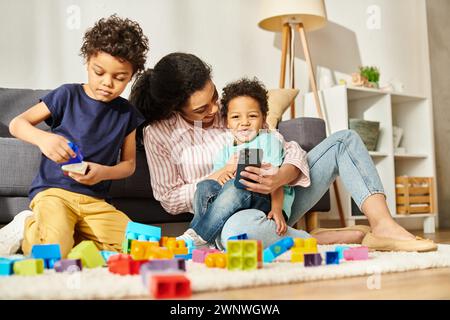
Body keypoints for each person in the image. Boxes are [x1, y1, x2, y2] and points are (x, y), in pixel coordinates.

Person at [130, 52, 437, 252]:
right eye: (201, 108)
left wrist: (281, 176)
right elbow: (169, 198)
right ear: (175, 107)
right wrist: (220, 177)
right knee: (241, 236)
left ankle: (383, 226)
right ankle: (323, 239)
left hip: (280, 197)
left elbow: (284, 145)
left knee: (345, 140)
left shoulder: (235, 111)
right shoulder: (158, 134)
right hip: (228, 217)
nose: (215, 109)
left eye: (214, 96)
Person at [0, 15, 149, 257]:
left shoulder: (127, 114)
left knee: (138, 247)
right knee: (51, 251)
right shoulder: (67, 95)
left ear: (131, 76)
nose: (107, 83)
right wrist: (44, 139)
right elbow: (18, 124)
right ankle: (27, 226)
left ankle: (71, 237)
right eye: (98, 72)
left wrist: (104, 172)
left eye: (120, 78)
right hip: (54, 194)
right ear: (88, 60)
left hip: (96, 203)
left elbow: (129, 164)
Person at [177, 78, 292, 247]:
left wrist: (277, 209)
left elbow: (276, 181)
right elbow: (214, 184)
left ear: (263, 118)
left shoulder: (267, 141)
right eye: (236, 117)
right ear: (227, 122)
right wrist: (224, 174)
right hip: (234, 200)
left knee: (235, 184)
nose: (244, 122)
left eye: (252, 116)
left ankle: (198, 236)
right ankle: (205, 238)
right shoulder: (225, 151)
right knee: (204, 186)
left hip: (264, 199)